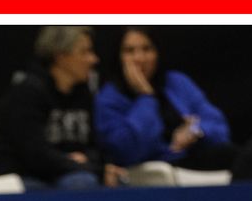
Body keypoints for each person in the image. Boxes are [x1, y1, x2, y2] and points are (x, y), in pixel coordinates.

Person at [0, 26, 125, 190]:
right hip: (20, 175)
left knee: (112, 180)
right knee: (81, 183)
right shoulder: (27, 92)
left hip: (63, 172)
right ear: (61, 56)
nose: (93, 59)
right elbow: (35, 155)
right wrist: (86, 167)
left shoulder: (83, 94)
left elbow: (95, 147)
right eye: (85, 52)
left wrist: (88, 160)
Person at [94, 28, 237, 170]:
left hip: (193, 156)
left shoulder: (176, 82)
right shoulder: (108, 98)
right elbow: (127, 152)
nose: (139, 58)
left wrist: (195, 131)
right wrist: (146, 96)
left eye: (147, 49)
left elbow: (219, 126)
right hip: (152, 168)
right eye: (129, 51)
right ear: (118, 57)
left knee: (234, 156)